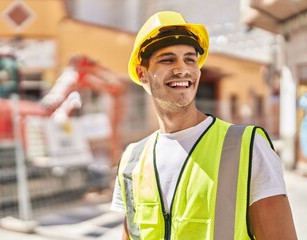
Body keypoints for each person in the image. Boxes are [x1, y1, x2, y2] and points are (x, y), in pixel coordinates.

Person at [110, 11, 297, 240]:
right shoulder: (132, 160)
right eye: (168, 59)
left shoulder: (247, 147)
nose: (182, 69)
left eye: (190, 59)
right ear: (142, 73)